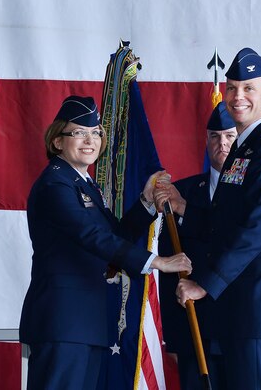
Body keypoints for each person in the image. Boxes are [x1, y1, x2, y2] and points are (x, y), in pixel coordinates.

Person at [19, 95, 192, 390]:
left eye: (96, 132)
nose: (90, 140)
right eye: (79, 132)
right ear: (57, 141)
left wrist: (146, 201)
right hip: (64, 324)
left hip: (86, 324)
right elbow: (92, 236)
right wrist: (157, 262)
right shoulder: (54, 184)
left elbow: (115, 235)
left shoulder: (83, 184)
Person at [175, 48, 261, 389]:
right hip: (242, 311)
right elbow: (227, 220)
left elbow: (256, 230)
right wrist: (185, 209)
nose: (238, 96)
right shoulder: (246, 149)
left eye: (249, 88)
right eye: (233, 87)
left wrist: (204, 283)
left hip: (260, 312)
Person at [155, 101, 237, 390]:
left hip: (243, 331)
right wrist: (174, 338)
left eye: (230, 136)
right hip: (195, 330)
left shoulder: (256, 190)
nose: (222, 144)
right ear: (205, 140)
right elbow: (170, 265)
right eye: (215, 136)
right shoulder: (184, 191)